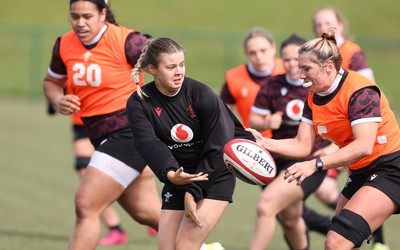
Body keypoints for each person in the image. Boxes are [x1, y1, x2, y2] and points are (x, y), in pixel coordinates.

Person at [247, 28, 400, 250]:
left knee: (336, 241)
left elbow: (364, 146)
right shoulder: (313, 98)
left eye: (306, 68)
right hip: (360, 172)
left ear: (328, 66)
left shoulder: (360, 91)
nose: (300, 75)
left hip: (390, 169)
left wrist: (315, 164)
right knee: (343, 243)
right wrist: (264, 143)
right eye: (300, 68)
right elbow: (302, 145)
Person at [42, 0, 161, 249]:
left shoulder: (128, 41)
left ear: (103, 14)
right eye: (75, 16)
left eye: (87, 16)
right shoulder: (64, 44)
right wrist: (58, 99)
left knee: (86, 205)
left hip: (131, 133)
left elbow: (169, 67)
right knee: (146, 212)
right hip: (101, 137)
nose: (80, 22)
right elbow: (52, 82)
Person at [126, 37, 255, 250]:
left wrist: (193, 191)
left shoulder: (201, 94)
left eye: (182, 65)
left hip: (215, 173)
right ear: (152, 69)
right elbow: (148, 142)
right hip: (178, 175)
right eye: (170, 67)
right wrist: (171, 174)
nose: (179, 72)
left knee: (185, 245)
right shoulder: (139, 102)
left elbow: (219, 145)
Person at [304, 7, 389, 250]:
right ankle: (364, 228)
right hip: (344, 145)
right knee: (335, 216)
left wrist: (328, 153)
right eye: (318, 24)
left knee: (339, 233)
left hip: (369, 144)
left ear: (340, 25)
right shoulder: (313, 67)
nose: (323, 27)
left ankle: (376, 239)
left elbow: (368, 98)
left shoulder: (353, 57)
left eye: (328, 22)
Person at [248, 34, 329, 250]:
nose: (292, 64)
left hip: (309, 161)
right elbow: (253, 119)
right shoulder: (272, 85)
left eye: (296, 59)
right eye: (287, 60)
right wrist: (267, 121)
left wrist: (332, 149)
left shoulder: (318, 87)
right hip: (278, 159)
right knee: (290, 219)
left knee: (266, 206)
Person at [47, 99, 158, 246]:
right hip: (85, 125)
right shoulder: (66, 75)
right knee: (86, 176)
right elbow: (53, 88)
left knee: (88, 202)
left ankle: (144, 222)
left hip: (120, 124)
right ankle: (116, 227)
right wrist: (57, 100)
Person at [220, 26, 285, 138]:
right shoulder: (234, 78)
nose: (259, 57)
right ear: (246, 54)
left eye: (263, 50)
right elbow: (220, 114)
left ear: (273, 48)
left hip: (288, 141)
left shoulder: (288, 70)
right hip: (252, 142)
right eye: (252, 53)